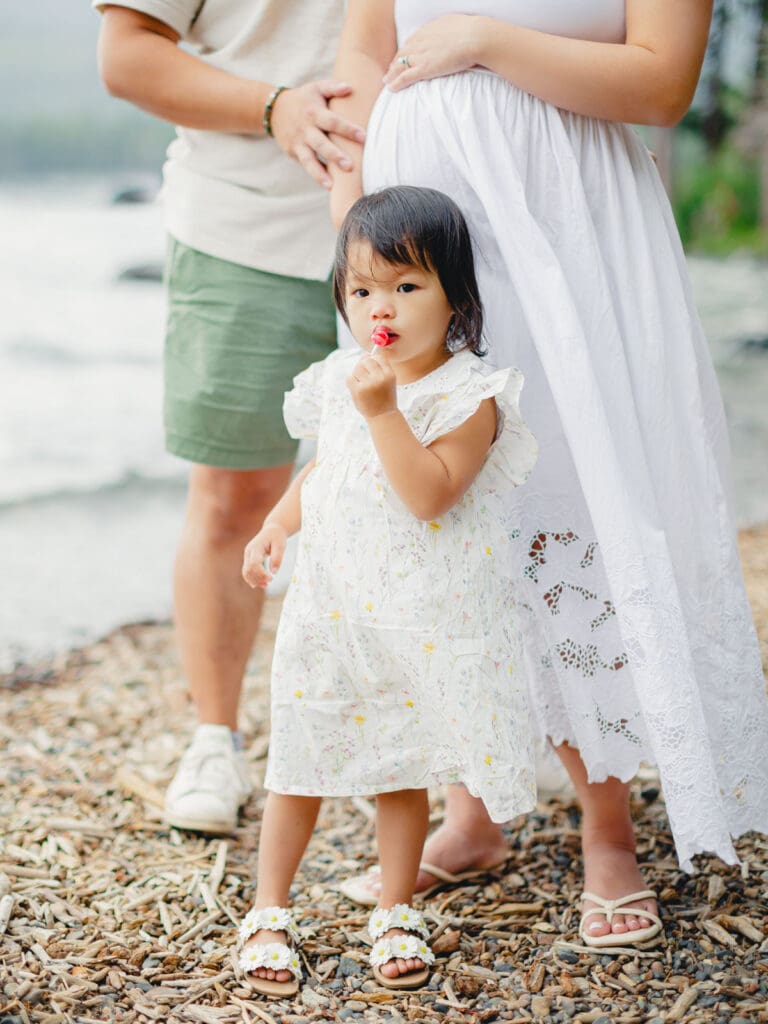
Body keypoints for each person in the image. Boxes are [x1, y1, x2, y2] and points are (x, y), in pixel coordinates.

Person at [328, 1, 768, 948]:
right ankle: (473, 807)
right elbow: (364, 47)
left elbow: (660, 79)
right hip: (414, 232)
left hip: (564, 224)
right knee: (438, 502)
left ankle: (607, 829)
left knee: (570, 494)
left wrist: (486, 41)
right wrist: (356, 198)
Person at [237, 186, 539, 994]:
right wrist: (275, 524)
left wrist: (383, 413)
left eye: (408, 286)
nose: (384, 307)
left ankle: (395, 907)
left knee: (398, 766)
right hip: (330, 609)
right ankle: (270, 908)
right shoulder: (347, 376)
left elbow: (431, 493)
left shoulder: (470, 397)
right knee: (298, 756)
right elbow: (325, 468)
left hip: (416, 622)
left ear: (456, 300)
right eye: (363, 288)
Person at [94, 1, 366, 833]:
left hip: (419, 220)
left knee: (441, 482)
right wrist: (273, 105)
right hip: (243, 223)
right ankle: (216, 737)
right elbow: (127, 57)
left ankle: (460, 762)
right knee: (232, 495)